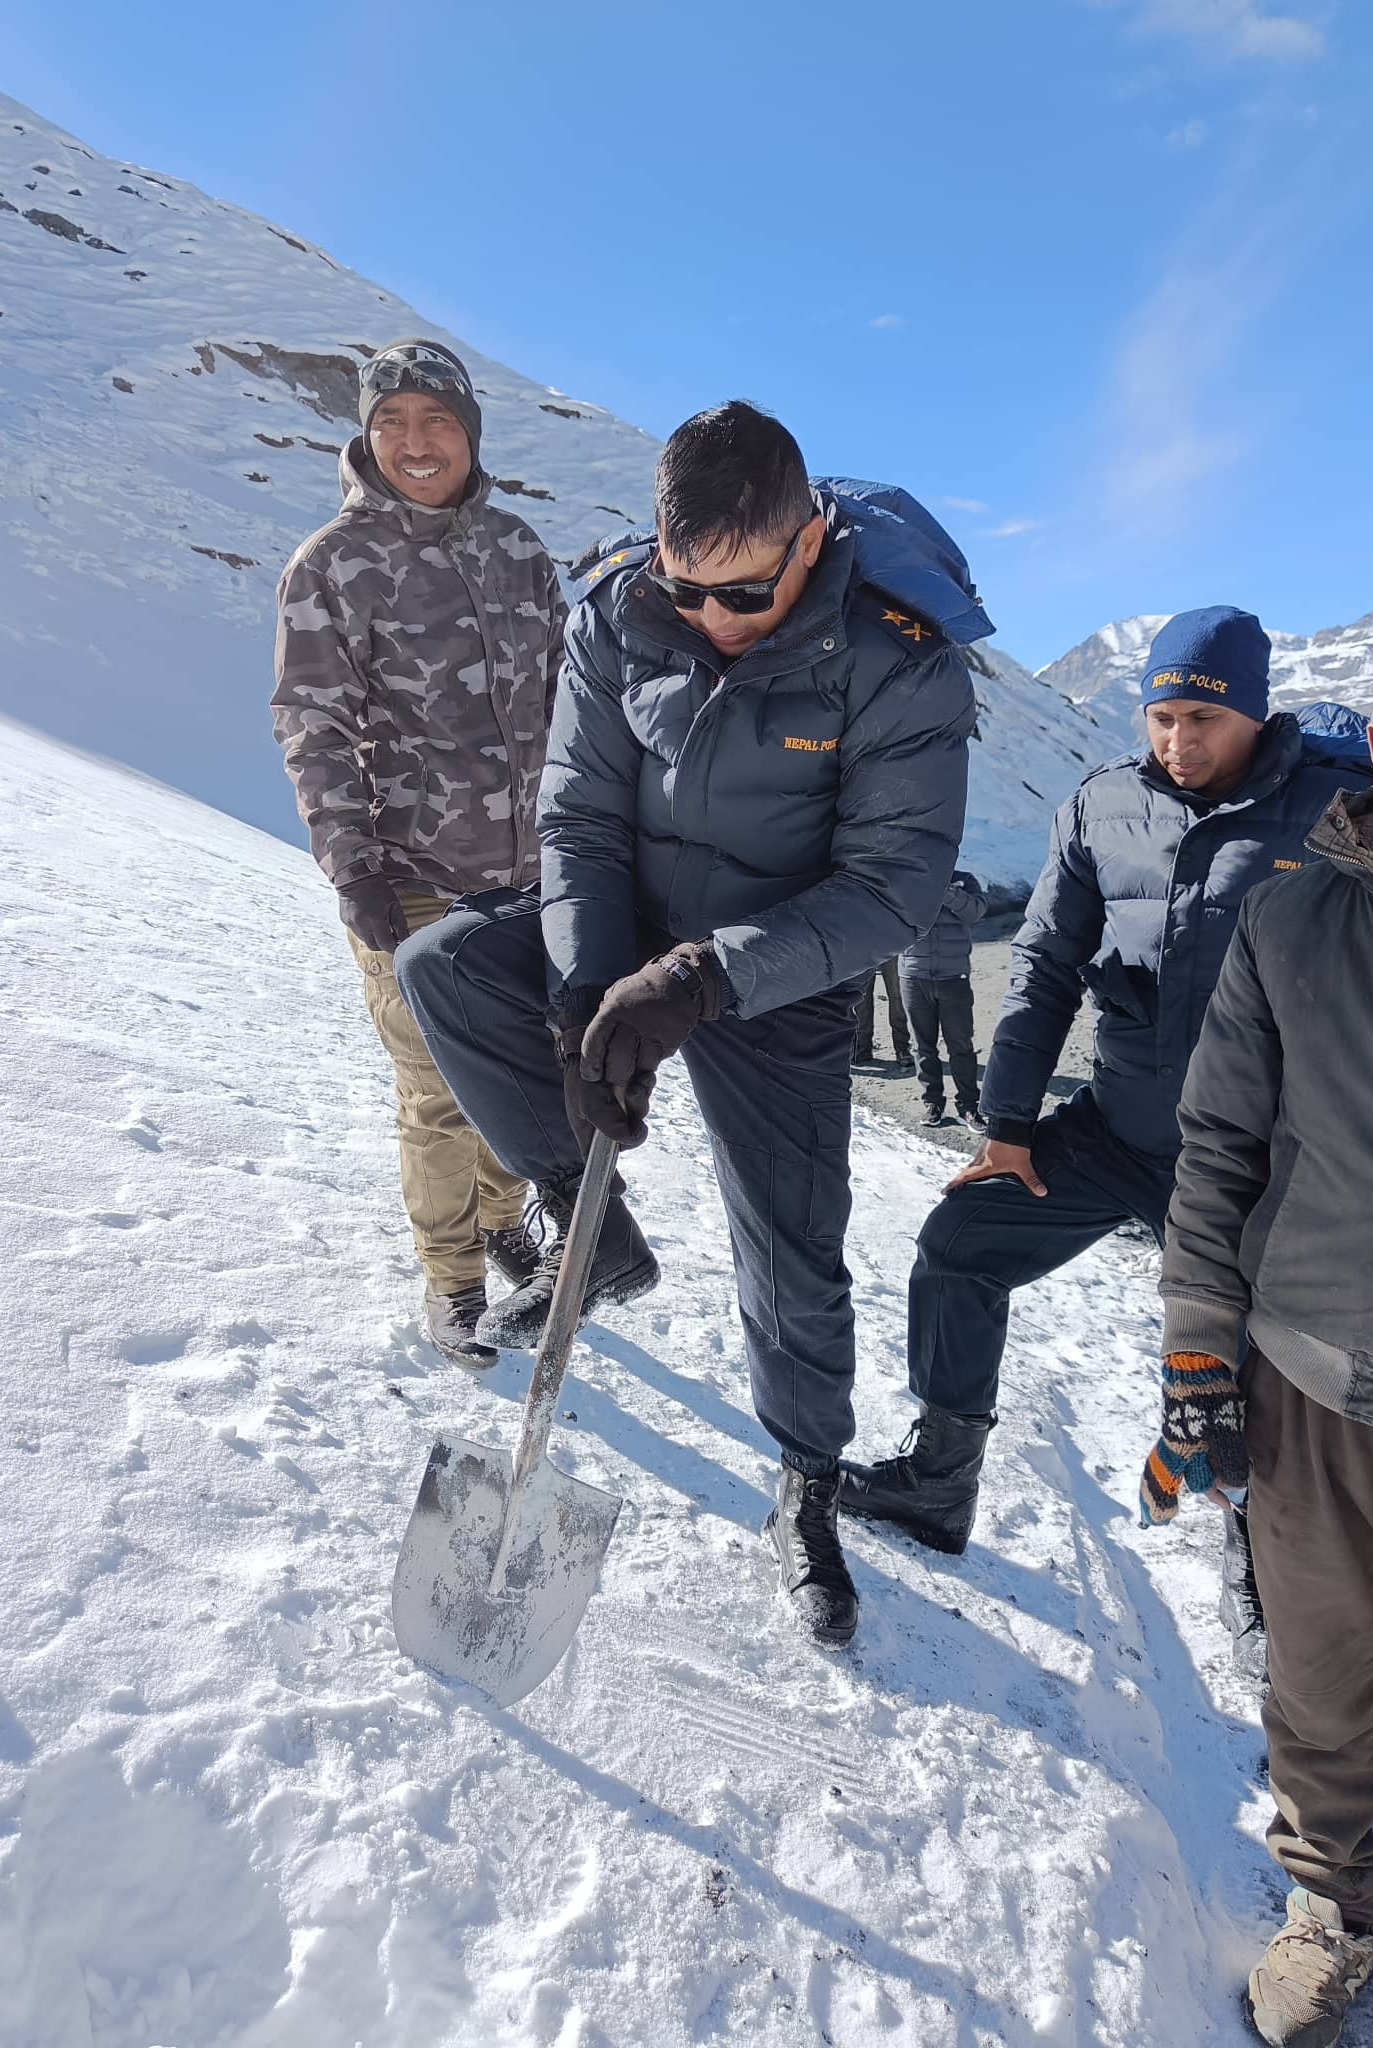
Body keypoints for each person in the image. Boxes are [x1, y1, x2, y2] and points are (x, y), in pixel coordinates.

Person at [396, 401, 984, 1645]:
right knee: (443, 963)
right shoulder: (619, 611)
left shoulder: (901, 657)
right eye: (691, 587)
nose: (715, 619)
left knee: (790, 1239)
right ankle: (590, 1221)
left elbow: (890, 888)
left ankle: (807, 1481)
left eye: (749, 591)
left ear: (811, 539)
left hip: (777, 968)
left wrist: (706, 977)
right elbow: (578, 816)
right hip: (631, 936)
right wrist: (582, 988)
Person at [839, 606, 1373, 1651]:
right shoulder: (1104, 805)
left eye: (1203, 720)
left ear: (1257, 713)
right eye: (1162, 716)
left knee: (1258, 1369)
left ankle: (1261, 1552)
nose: (1179, 741)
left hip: (1265, 1163)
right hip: (1120, 1129)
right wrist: (1006, 1121)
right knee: (959, 1247)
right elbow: (1041, 962)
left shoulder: (1337, 806)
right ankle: (941, 1479)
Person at [1139, 585, 1373, 2047]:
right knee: (1320, 1682)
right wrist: (1200, 1355)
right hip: (1310, 1387)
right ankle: (1331, 1900)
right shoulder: (1292, 916)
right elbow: (1219, 1149)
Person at [271, 338, 564, 1364]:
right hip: (413, 887)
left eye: (434, 417)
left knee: (525, 1076)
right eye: (390, 419)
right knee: (439, 1091)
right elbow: (310, 718)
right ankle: (453, 1279)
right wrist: (353, 865)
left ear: (470, 429)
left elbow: (568, 710)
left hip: (529, 880)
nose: (413, 439)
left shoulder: (522, 551)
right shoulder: (333, 563)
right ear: (366, 432)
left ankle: (500, 1218)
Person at [898, 868, 988, 1127]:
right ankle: (933, 1104)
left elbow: (976, 913)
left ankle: (969, 1107)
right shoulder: (906, 877)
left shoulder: (965, 880)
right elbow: (893, 915)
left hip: (954, 976)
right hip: (914, 975)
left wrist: (946, 892)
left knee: (960, 1045)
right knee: (922, 1046)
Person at [851, 959, 912, 1073]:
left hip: (891, 944)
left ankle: (902, 1047)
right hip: (861, 945)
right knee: (862, 998)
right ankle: (862, 1047)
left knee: (897, 995)